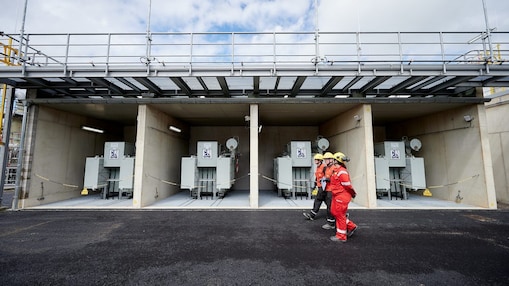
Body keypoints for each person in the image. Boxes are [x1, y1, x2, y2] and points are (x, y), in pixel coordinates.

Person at [328, 152, 358, 243]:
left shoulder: (342, 172)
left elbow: (347, 185)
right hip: (336, 195)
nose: (332, 161)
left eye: (333, 159)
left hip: (342, 196)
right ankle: (351, 226)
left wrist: (353, 193)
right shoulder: (336, 170)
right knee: (334, 212)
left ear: (336, 160)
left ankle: (341, 236)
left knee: (340, 215)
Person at [302, 153, 326, 220]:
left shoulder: (324, 167)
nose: (315, 161)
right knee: (329, 203)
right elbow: (317, 177)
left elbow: (326, 177)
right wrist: (315, 185)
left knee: (317, 200)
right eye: (315, 160)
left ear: (320, 160)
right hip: (320, 187)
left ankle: (312, 215)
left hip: (323, 187)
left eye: (316, 160)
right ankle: (341, 215)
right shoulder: (318, 167)